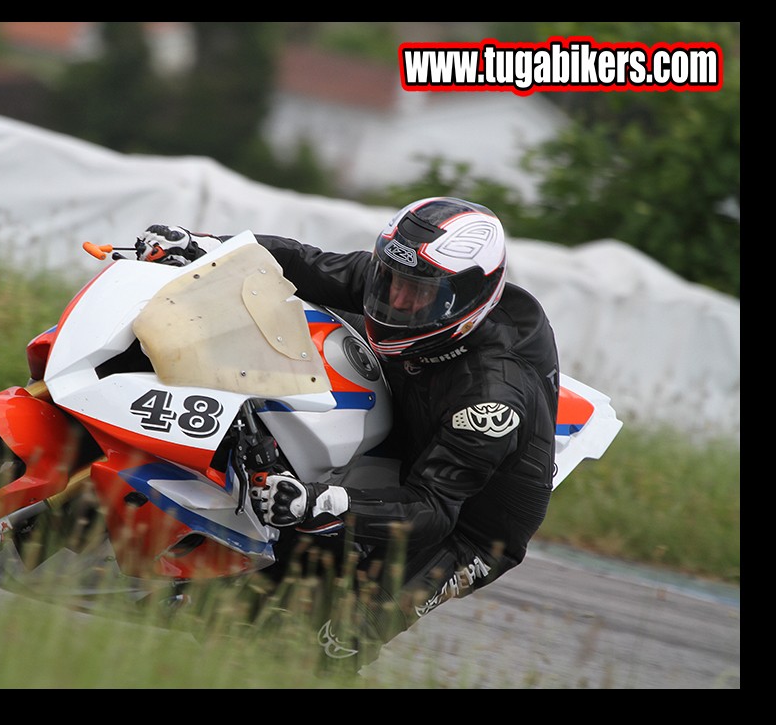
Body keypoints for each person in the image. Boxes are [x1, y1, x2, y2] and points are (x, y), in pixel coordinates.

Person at [134, 198, 560, 673]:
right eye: (391, 281)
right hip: (410, 404)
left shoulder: (491, 399)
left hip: (466, 522)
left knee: (325, 645)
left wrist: (317, 503)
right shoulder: (413, 283)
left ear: (465, 301)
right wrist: (201, 246)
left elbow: (433, 510)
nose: (396, 302)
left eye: (416, 294)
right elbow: (299, 261)